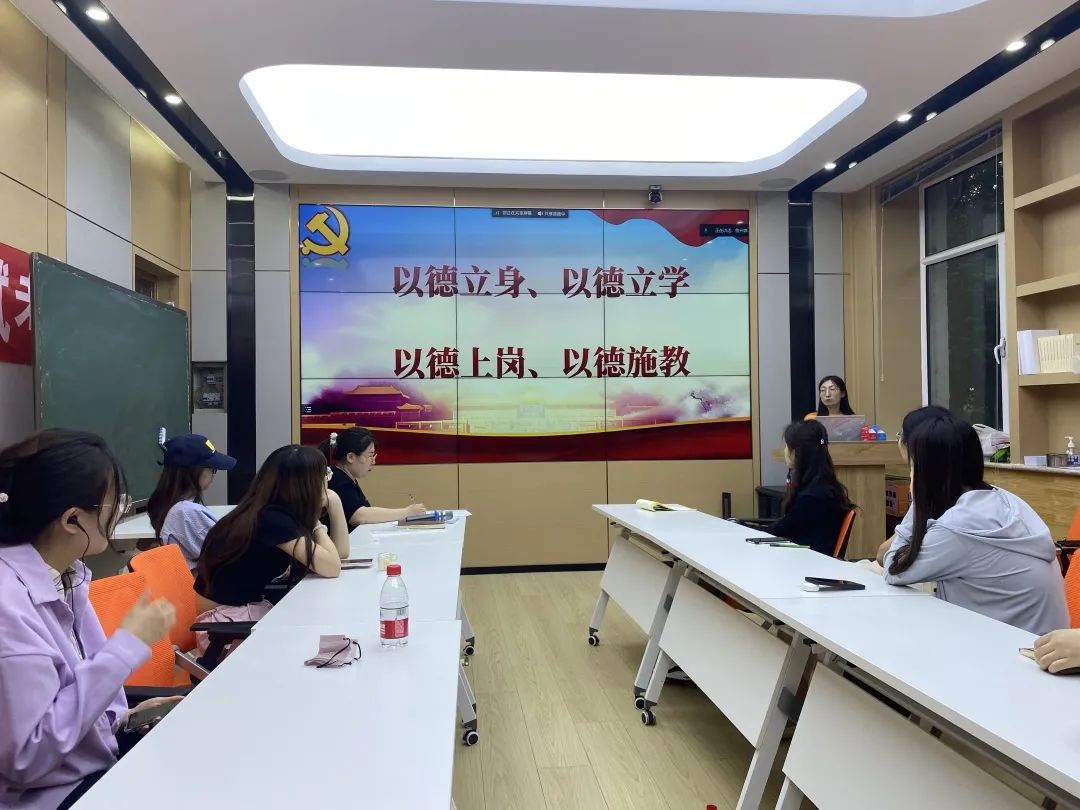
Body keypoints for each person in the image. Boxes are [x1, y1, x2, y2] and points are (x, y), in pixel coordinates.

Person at [0, 429, 178, 810]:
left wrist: (122, 719)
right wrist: (125, 647)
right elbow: (27, 757)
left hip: (89, 769)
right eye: (114, 503)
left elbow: (67, 694)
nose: (121, 511)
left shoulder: (67, 576)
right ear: (72, 519)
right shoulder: (8, 605)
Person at [881, 414, 1068, 635]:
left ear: (927, 473)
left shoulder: (958, 527)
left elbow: (893, 570)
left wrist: (920, 499)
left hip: (1013, 649)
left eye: (914, 467)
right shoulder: (1004, 499)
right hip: (1042, 640)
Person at [193, 445, 349, 652]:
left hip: (240, 614)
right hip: (224, 625)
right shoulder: (272, 519)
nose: (327, 481)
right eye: (324, 475)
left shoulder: (269, 510)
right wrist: (316, 520)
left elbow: (340, 553)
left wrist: (334, 502)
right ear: (308, 483)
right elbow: (332, 567)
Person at [146, 434, 236, 571]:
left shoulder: (177, 506)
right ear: (194, 471)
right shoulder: (187, 513)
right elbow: (229, 555)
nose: (213, 475)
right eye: (212, 468)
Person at [769, 420, 854, 556]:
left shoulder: (812, 497)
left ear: (795, 452)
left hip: (807, 561)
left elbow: (779, 531)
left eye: (787, 446)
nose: (785, 450)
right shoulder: (823, 488)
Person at [320, 429, 427, 526]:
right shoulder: (337, 479)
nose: (373, 462)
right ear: (351, 457)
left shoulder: (346, 477)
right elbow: (359, 516)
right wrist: (407, 512)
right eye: (370, 455)